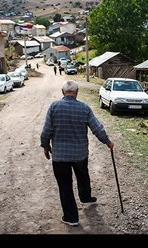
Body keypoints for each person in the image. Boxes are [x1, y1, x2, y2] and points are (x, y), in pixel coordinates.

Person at [40, 80, 114, 226]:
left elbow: (46, 130)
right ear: (77, 92)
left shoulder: (54, 107)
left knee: (65, 186)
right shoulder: (84, 108)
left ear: (63, 92)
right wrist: (107, 142)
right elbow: (97, 128)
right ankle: (85, 198)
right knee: (83, 176)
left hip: (60, 156)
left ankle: (71, 217)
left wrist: (45, 146)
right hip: (80, 154)